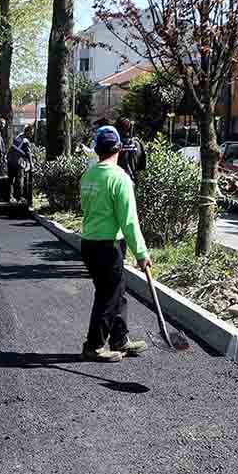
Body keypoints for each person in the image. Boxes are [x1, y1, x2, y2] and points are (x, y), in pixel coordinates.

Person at [79, 125, 151, 362]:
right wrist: (141, 253)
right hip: (108, 245)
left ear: (97, 150)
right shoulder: (120, 179)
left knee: (116, 291)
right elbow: (129, 221)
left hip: (89, 244)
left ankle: (119, 339)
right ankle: (94, 345)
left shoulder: (88, 175)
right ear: (119, 149)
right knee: (108, 295)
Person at [7, 123, 34, 203]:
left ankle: (10, 197)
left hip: (10, 161)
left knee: (10, 180)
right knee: (20, 181)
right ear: (28, 132)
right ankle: (19, 198)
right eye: (31, 132)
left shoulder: (18, 137)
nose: (32, 134)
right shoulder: (25, 141)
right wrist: (31, 165)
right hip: (17, 162)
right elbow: (28, 154)